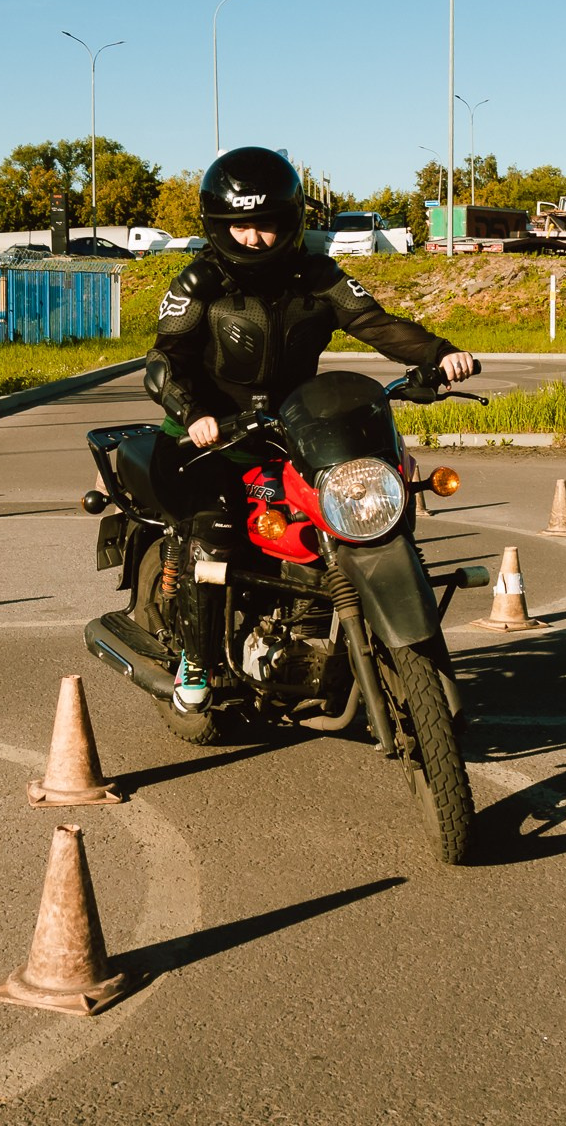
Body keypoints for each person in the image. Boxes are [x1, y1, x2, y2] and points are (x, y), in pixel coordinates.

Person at [143, 146, 474, 708]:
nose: (254, 238)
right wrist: (192, 412)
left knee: (354, 513)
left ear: (290, 221)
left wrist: (439, 354)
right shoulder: (200, 282)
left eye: (266, 224)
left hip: (288, 430)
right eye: (241, 225)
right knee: (218, 532)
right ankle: (195, 661)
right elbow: (164, 359)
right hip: (206, 440)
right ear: (219, 227)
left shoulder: (317, 276)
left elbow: (376, 324)